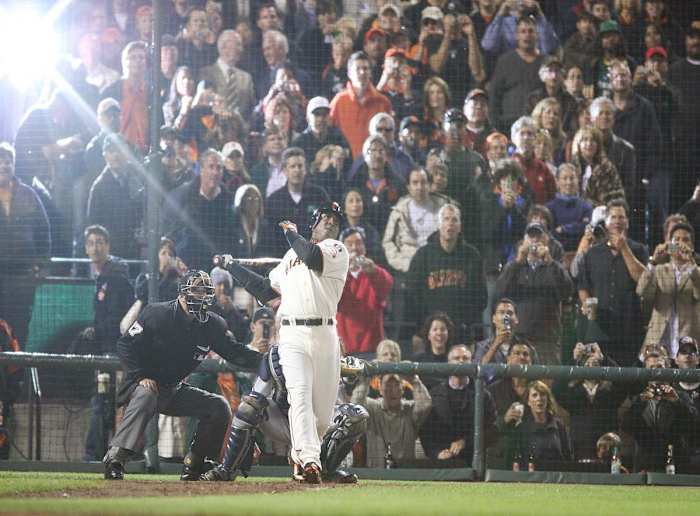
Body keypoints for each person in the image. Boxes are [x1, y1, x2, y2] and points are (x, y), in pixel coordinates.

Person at [214, 202, 349, 482]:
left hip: (325, 334)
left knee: (322, 416)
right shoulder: (290, 256)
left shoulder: (336, 250)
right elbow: (266, 290)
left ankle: (302, 456)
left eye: (335, 220)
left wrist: (290, 233)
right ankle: (310, 462)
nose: (330, 222)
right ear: (314, 223)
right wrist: (233, 267)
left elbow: (311, 256)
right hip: (292, 334)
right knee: (299, 394)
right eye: (325, 217)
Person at [103, 270, 262, 480]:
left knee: (219, 407)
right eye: (196, 290)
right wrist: (140, 376)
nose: (201, 295)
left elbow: (234, 352)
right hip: (142, 384)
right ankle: (115, 460)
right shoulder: (157, 313)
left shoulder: (212, 325)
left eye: (205, 291)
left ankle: (195, 464)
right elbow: (125, 345)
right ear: (182, 293)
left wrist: (266, 360)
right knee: (147, 394)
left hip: (173, 389)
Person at [83, 224, 134, 463]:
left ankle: (95, 456)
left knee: (106, 403)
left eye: (100, 242)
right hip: (107, 352)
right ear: (86, 248)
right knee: (105, 402)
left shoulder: (116, 277)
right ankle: (102, 454)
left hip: (114, 353)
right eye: (91, 243)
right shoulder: (103, 277)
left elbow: (116, 319)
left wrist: (101, 334)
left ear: (108, 246)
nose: (96, 247)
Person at [578, 198, 648, 365]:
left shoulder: (639, 250)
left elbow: (643, 280)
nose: (617, 221)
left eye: (621, 217)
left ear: (627, 222)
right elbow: (583, 286)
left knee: (627, 373)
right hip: (599, 327)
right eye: (613, 217)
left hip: (629, 326)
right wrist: (588, 307)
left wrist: (624, 248)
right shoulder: (593, 253)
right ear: (606, 222)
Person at [496, 222, 573, 364]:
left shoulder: (554, 266)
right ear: (524, 241)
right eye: (531, 236)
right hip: (519, 339)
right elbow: (500, 291)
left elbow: (567, 291)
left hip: (547, 339)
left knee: (547, 378)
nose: (535, 240)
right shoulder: (515, 266)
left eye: (539, 236)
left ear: (547, 240)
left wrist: (550, 262)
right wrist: (517, 261)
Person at [407, 203, 487, 342]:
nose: (450, 223)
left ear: (460, 227)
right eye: (446, 219)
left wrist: (466, 322)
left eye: (454, 220)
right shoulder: (422, 256)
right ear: (439, 225)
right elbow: (412, 295)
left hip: (461, 331)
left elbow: (480, 296)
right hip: (430, 331)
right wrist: (422, 328)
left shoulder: (472, 256)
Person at [0, 142, 50, 349]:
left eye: (8, 161)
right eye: (0, 161)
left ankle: (18, 369)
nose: (4, 165)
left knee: (20, 329)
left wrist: (42, 265)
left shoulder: (29, 195)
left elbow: (44, 232)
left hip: (22, 278)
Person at [622, 349, 697, 472]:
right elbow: (626, 425)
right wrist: (640, 402)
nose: (657, 372)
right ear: (645, 372)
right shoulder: (638, 398)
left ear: (668, 369)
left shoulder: (680, 396)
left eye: (660, 367)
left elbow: (694, 424)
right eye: (651, 368)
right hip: (645, 464)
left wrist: (677, 402)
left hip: (677, 462)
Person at [419, 345, 498, 462]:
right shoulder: (434, 394)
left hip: (474, 460)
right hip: (443, 462)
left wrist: (465, 442)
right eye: (456, 358)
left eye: (465, 358)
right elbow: (426, 432)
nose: (461, 361)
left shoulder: (483, 394)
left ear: (471, 363)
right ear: (449, 363)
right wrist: (437, 453)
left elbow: (492, 431)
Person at [637, 222, 700, 359]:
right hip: (658, 342)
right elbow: (641, 291)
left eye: (685, 240)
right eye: (676, 240)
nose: (680, 244)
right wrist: (653, 262)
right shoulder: (659, 270)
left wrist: (691, 264)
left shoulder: (696, 272)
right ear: (669, 244)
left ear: (692, 246)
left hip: (688, 346)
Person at [554, 345, 627, 461]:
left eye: (595, 364)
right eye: (587, 365)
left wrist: (604, 359)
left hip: (607, 450)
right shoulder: (573, 393)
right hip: (580, 449)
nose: (591, 367)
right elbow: (556, 388)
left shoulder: (611, 392)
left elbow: (624, 381)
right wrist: (573, 360)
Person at [351, 372, 432, 468]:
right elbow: (355, 408)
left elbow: (425, 405)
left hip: (405, 472)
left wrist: (413, 380)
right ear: (380, 389)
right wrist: (367, 378)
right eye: (388, 385)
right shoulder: (372, 407)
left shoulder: (409, 409)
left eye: (396, 385)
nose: (392, 390)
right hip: (375, 472)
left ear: (402, 389)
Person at [337, 228, 393, 357]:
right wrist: (344, 270)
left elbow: (387, 284)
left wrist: (374, 271)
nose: (354, 248)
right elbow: (335, 299)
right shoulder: (336, 276)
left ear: (365, 247)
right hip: (344, 349)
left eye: (359, 243)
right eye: (349, 244)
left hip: (371, 348)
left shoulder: (373, 272)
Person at [86, 133, 144, 259]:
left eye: (119, 150)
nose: (116, 155)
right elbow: (93, 225)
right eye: (111, 151)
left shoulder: (137, 176)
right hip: (112, 252)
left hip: (135, 248)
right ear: (105, 155)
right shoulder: (99, 187)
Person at [383, 167, 450, 275]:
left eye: (423, 182)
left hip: (438, 266)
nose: (419, 187)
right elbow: (388, 242)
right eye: (415, 183)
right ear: (408, 187)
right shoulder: (398, 211)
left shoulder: (444, 209)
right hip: (407, 267)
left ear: (430, 185)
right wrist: (401, 263)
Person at [488, 16, 546, 133]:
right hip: (508, 125)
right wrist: (496, 125)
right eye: (523, 31)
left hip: (537, 125)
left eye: (531, 31)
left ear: (537, 35)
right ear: (516, 35)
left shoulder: (546, 62)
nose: (527, 35)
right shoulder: (505, 61)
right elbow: (494, 95)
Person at [329, 51, 392, 159]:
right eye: (357, 69)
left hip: (375, 162)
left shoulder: (383, 102)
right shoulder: (339, 101)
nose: (362, 72)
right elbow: (329, 132)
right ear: (349, 73)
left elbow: (390, 137)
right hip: (347, 163)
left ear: (370, 72)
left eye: (365, 68)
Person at [506, 380, 574, 469]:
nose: (539, 398)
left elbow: (568, 458)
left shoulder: (559, 427)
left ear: (547, 399)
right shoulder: (521, 429)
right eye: (534, 395)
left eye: (542, 395)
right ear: (528, 401)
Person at [265, 147, 330, 231]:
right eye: (292, 166)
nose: (297, 170)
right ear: (285, 170)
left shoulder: (319, 195)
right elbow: (270, 232)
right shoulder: (274, 200)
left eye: (300, 166)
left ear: (305, 170)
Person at [199, 30, 256, 120]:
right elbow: (203, 108)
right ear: (223, 47)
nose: (241, 49)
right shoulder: (206, 74)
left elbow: (252, 110)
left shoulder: (246, 78)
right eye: (238, 44)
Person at [570, 126, 625, 208]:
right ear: (578, 143)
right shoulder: (571, 167)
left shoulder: (607, 168)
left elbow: (618, 196)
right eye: (585, 140)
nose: (589, 144)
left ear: (598, 144)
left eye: (593, 140)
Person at [481, 0, 559, 57]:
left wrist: (539, 14)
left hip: (536, 68)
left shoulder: (539, 20)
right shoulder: (503, 21)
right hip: (510, 68)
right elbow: (488, 46)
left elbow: (548, 48)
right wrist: (500, 14)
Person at [546, 162, 593, 252]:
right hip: (556, 254)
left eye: (572, 178)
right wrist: (576, 228)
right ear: (557, 181)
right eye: (564, 178)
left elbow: (586, 229)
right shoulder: (549, 208)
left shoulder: (586, 207)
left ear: (577, 180)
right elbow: (551, 234)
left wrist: (564, 229)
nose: (569, 182)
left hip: (582, 253)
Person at [511, 116, 556, 205]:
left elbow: (552, 199)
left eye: (529, 134)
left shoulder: (543, 168)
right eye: (522, 134)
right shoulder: (508, 167)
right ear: (513, 138)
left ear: (535, 139)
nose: (526, 137)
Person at [292, 96, 349, 167]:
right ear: (307, 118)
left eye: (324, 114)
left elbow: (349, 164)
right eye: (316, 114)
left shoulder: (338, 137)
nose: (321, 119)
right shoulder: (300, 143)